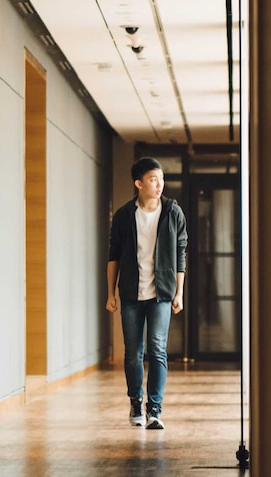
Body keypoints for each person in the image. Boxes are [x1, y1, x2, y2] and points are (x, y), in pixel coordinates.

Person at [106, 157, 188, 430]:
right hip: (130, 293)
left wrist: (179, 292)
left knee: (158, 350)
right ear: (139, 183)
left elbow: (180, 254)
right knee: (133, 353)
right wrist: (110, 293)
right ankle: (135, 401)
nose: (159, 184)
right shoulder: (124, 215)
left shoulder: (173, 212)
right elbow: (113, 257)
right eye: (153, 179)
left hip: (161, 293)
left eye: (161, 179)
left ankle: (155, 409)